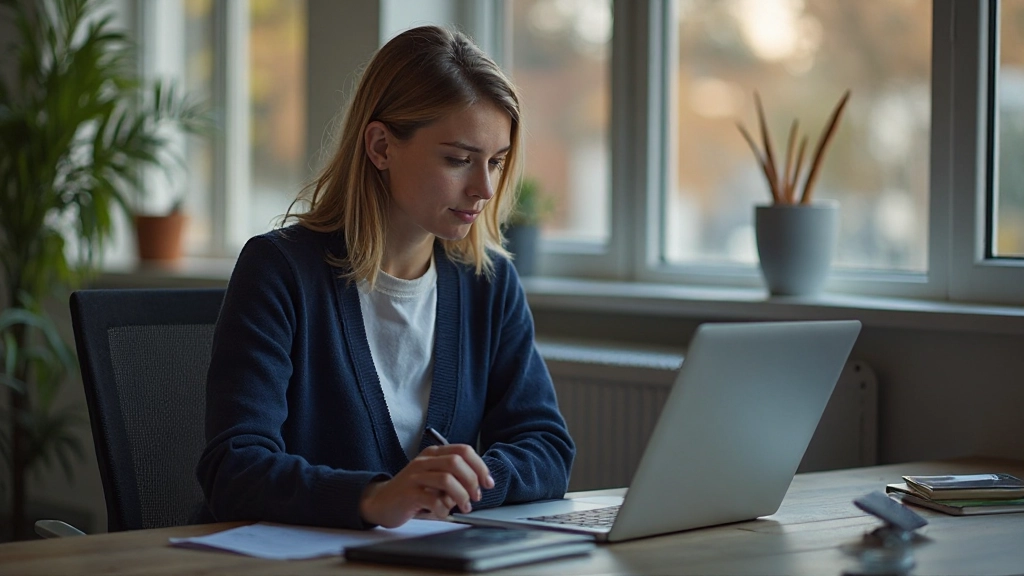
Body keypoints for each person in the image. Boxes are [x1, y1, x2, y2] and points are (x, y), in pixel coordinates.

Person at [196, 25, 575, 530]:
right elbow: (234, 467)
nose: (484, 188)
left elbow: (547, 447)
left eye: (497, 162)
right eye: (458, 160)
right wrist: (374, 498)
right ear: (380, 146)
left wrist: (465, 484)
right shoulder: (280, 271)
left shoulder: (489, 282)